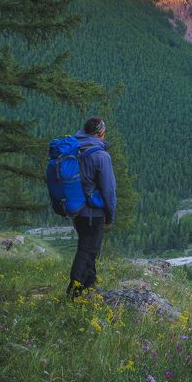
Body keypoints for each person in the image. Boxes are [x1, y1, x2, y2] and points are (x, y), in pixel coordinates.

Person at [67, 116, 117, 296]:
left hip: (77, 209)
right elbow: (109, 190)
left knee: (89, 247)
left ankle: (89, 285)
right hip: (92, 212)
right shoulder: (100, 156)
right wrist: (110, 215)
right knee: (87, 249)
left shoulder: (75, 148)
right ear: (101, 133)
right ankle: (74, 292)